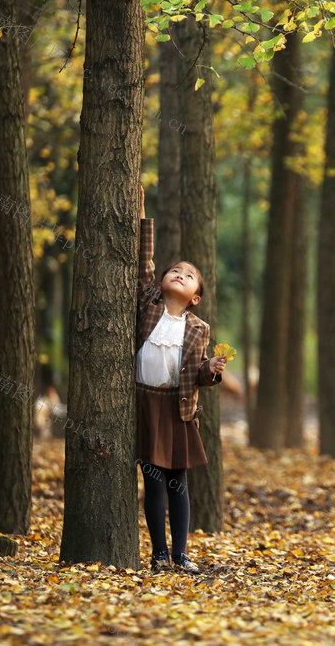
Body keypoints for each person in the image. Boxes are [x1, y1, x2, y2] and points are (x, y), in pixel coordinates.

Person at [137, 187, 226, 572]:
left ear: (195, 298)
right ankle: (158, 554)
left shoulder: (198, 328)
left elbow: (197, 370)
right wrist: (142, 216)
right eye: (175, 270)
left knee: (178, 483)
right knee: (153, 482)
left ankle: (181, 553)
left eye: (188, 275)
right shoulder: (148, 303)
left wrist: (212, 371)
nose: (179, 273)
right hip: (145, 404)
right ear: (161, 282)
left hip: (178, 409)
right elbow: (144, 261)